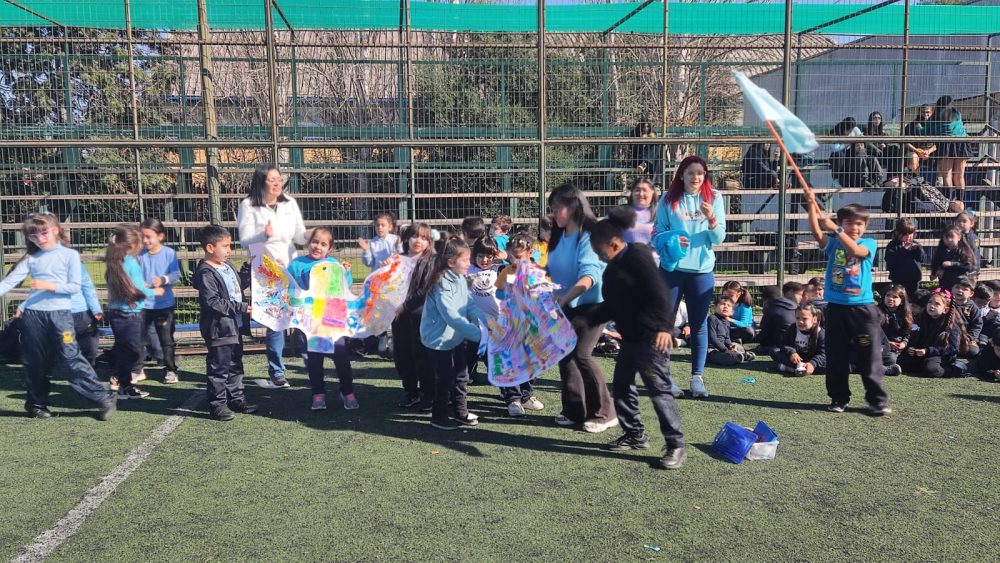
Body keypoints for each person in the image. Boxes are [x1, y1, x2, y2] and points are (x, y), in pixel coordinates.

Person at [581, 206, 686, 470]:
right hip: (630, 340)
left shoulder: (638, 257)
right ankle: (635, 434)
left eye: (599, 250)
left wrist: (665, 328)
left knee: (658, 391)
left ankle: (676, 445)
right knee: (622, 386)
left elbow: (659, 293)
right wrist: (581, 317)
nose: (598, 255)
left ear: (614, 243)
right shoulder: (611, 272)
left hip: (652, 340)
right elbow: (612, 306)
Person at [0, 212, 116, 420]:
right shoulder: (32, 259)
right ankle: (37, 404)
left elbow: (73, 287)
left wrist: (49, 286)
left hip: (60, 317)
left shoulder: (69, 256)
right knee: (35, 361)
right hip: (33, 318)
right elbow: (9, 282)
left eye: (43, 233)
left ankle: (103, 397)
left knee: (71, 357)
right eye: (33, 236)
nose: (39, 238)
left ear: (55, 231)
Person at [806, 198, 891, 415]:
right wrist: (811, 208)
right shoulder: (834, 245)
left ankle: (877, 401)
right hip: (836, 308)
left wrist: (836, 229)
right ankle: (838, 398)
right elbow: (817, 235)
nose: (855, 228)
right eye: (850, 223)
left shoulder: (868, 244)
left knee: (868, 355)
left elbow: (855, 251)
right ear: (843, 222)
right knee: (837, 355)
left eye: (859, 224)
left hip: (862, 310)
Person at [653, 155, 726, 398]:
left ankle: (697, 378)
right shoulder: (668, 198)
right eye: (691, 173)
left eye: (700, 174)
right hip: (672, 271)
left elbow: (718, 238)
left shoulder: (714, 198)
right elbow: (657, 233)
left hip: (701, 272)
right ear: (681, 174)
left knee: (698, 325)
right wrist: (672, 241)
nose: (696, 178)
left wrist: (712, 219)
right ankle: (664, 378)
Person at [546, 184, 617, 432]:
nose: (553, 214)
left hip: (594, 306)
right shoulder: (560, 236)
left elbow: (590, 276)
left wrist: (565, 298)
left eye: (557, 209)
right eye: (552, 210)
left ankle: (605, 412)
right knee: (565, 356)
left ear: (573, 206)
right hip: (567, 306)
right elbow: (550, 271)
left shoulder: (589, 235)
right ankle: (575, 410)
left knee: (582, 355)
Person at [236, 163, 307, 388]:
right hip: (267, 270)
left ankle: (309, 361)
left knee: (301, 314)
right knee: (276, 321)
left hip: (291, 265)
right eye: (272, 179)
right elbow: (245, 240)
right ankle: (277, 371)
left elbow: (300, 235)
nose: (277, 183)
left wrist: (312, 236)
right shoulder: (248, 205)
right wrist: (262, 235)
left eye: (279, 179)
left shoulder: (290, 203)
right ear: (261, 182)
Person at [192, 225, 257, 421]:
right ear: (210, 248)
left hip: (234, 327)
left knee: (236, 364)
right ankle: (217, 404)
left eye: (230, 245)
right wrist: (240, 308)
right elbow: (212, 302)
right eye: (225, 246)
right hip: (218, 329)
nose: (229, 250)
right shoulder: (206, 273)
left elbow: (239, 286)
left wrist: (249, 268)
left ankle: (236, 398)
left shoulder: (227, 266)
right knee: (219, 368)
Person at [289, 227, 358, 411]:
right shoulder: (297, 264)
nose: (317, 246)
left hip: (333, 318)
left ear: (330, 249)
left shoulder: (334, 263)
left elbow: (345, 287)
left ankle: (347, 391)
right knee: (314, 359)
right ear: (308, 243)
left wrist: (346, 273)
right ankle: (318, 394)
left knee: (342, 356)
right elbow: (291, 287)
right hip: (311, 321)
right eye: (314, 242)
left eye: (323, 244)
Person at [420, 237, 484, 431]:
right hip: (438, 341)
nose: (469, 264)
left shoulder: (460, 279)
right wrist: (480, 335)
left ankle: (460, 412)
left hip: (454, 338)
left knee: (462, 376)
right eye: (465, 260)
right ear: (450, 262)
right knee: (445, 379)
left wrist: (489, 323)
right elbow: (452, 317)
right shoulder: (441, 284)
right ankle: (438, 417)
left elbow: (470, 306)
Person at [105, 224, 163, 400]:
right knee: (132, 351)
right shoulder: (130, 262)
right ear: (131, 245)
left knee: (127, 350)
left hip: (118, 313)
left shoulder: (115, 262)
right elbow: (136, 289)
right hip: (129, 315)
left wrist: (143, 286)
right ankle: (123, 384)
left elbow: (128, 285)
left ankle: (124, 384)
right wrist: (154, 291)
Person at [492, 231, 545, 416]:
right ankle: (512, 398)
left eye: (519, 256)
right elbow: (498, 293)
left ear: (529, 252)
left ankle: (526, 395)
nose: (515, 260)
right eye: (512, 256)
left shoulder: (538, 272)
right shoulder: (507, 271)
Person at [393, 223, 438, 408]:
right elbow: (387, 284)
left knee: (422, 356)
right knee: (403, 355)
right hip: (398, 317)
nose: (418, 241)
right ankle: (410, 392)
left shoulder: (432, 260)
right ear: (406, 239)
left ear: (429, 242)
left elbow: (425, 289)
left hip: (422, 315)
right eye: (414, 236)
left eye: (423, 237)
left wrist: (405, 305)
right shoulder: (398, 259)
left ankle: (428, 394)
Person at [138, 217, 181, 384]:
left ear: (160, 236)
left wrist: (163, 279)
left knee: (166, 339)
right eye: (143, 236)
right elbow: (135, 275)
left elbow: (175, 275)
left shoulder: (169, 253)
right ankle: (138, 369)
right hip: (144, 304)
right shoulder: (139, 255)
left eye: (149, 236)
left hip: (164, 304)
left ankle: (170, 370)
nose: (145, 240)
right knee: (139, 338)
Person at [900, 289, 968, 378]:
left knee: (931, 369)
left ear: (946, 309)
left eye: (937, 304)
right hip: (923, 353)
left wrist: (928, 351)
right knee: (902, 362)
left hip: (940, 356)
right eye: (930, 302)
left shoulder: (952, 326)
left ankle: (958, 368)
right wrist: (912, 348)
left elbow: (951, 349)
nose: (931, 306)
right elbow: (914, 338)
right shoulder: (922, 320)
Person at [928, 95, 974, 194]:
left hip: (946, 145)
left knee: (947, 176)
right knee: (959, 176)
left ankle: (948, 203)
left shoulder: (935, 117)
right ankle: (959, 202)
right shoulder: (957, 114)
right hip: (962, 143)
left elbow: (930, 130)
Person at [771, 303, 826, 377]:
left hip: (813, 359)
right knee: (774, 351)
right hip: (797, 360)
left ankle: (794, 369)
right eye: (798, 318)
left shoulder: (820, 333)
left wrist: (813, 363)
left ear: (814, 320)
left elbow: (823, 353)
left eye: (804, 318)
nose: (800, 321)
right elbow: (784, 344)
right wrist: (792, 353)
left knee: (839, 364)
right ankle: (801, 368)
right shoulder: (792, 328)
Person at [706, 295, 756, 366]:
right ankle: (738, 356)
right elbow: (712, 338)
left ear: (732, 312)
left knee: (738, 346)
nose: (725, 306)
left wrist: (730, 345)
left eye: (729, 306)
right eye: (722, 304)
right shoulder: (712, 318)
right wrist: (725, 350)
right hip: (711, 349)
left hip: (723, 348)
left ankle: (740, 355)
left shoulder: (726, 322)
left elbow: (727, 337)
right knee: (723, 357)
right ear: (715, 307)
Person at [757, 281, 804, 355]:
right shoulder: (796, 306)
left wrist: (761, 343)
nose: (802, 297)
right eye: (800, 295)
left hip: (780, 343)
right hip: (798, 341)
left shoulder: (771, 308)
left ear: (766, 299)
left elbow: (764, 329)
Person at [884, 218, 924, 297]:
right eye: (906, 234)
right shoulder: (893, 245)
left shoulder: (914, 244)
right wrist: (904, 249)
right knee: (900, 297)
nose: (909, 237)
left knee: (913, 299)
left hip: (914, 279)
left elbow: (922, 259)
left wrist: (918, 249)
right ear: (898, 233)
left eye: (911, 234)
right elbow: (890, 260)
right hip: (899, 279)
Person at [878, 285, 912, 377]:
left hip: (898, 349)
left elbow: (908, 333)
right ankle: (886, 369)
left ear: (902, 301)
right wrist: (887, 343)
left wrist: (904, 343)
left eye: (895, 297)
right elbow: (873, 333)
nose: (890, 299)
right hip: (881, 347)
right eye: (888, 295)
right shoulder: (877, 312)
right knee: (890, 358)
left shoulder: (906, 315)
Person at [930, 225, 976, 291]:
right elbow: (936, 262)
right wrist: (934, 272)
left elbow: (969, 266)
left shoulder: (963, 250)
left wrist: (952, 264)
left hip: (960, 284)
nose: (949, 240)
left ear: (959, 237)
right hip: (945, 283)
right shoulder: (941, 251)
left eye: (952, 237)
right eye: (946, 237)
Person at [950, 276, 982, 359]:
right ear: (952, 289)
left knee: (973, 351)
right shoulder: (947, 304)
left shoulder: (973, 308)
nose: (960, 290)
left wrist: (969, 337)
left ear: (971, 293)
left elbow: (977, 325)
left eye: (965, 289)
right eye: (957, 287)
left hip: (965, 338)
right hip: (949, 336)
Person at [623, 178, 657, 246]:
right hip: (628, 255)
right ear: (632, 192)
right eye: (637, 190)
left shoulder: (661, 213)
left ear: (652, 192)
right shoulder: (621, 212)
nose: (641, 194)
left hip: (654, 256)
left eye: (645, 190)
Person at [955, 211, 981, 277]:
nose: (961, 223)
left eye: (964, 221)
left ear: (971, 224)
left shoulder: (974, 239)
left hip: (969, 269)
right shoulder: (954, 236)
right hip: (956, 266)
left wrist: (976, 269)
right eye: (959, 221)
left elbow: (976, 254)